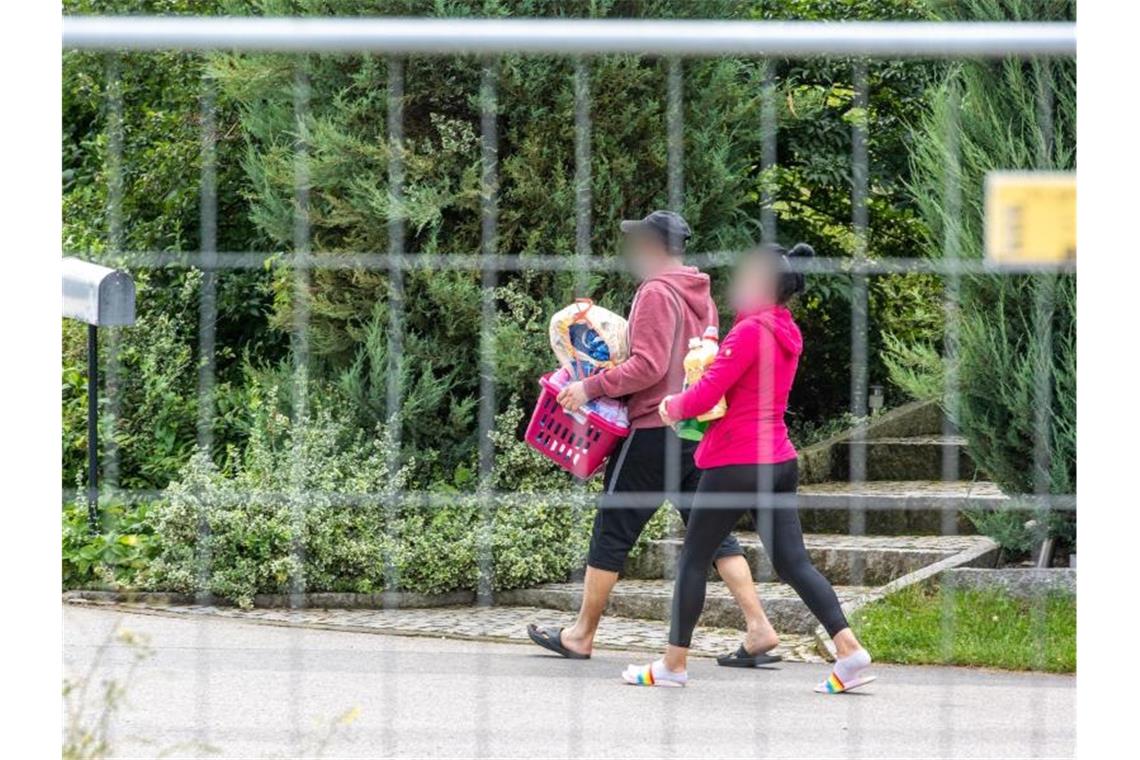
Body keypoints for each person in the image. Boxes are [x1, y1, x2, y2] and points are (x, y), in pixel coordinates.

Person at [526, 210, 781, 665]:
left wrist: (590, 386)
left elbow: (647, 365)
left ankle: (581, 635)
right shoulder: (700, 294)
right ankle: (759, 627)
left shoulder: (656, 292)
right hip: (692, 429)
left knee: (612, 529)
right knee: (713, 533)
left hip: (651, 430)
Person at [621, 242, 875, 693]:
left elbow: (705, 395)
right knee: (794, 562)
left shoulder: (748, 333)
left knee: (695, 559)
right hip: (778, 459)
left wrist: (671, 406)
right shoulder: (784, 331)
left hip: (736, 460)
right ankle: (850, 651)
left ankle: (672, 665)